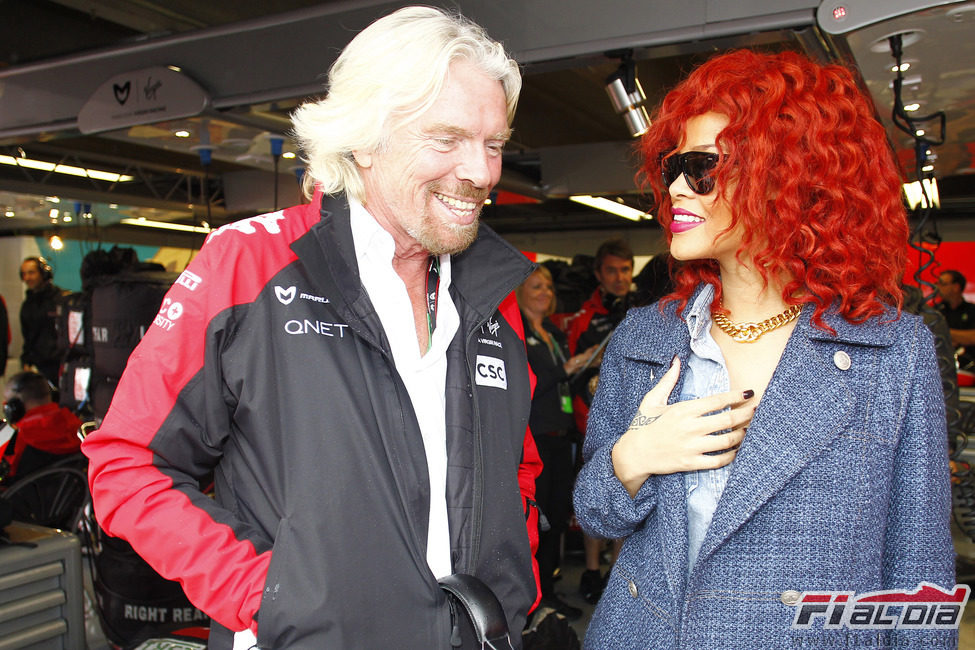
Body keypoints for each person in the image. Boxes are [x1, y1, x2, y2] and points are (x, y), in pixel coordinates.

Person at [82, 7, 543, 649]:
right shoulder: (247, 266)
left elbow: (515, 470)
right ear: (363, 138)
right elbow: (128, 464)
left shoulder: (492, 290)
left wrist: (514, 591)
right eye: (448, 139)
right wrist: (266, 596)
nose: (482, 171)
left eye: (493, 144)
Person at [573, 50, 955, 649]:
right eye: (673, 166)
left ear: (784, 176)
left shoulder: (892, 354)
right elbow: (595, 513)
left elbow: (918, 573)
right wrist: (634, 457)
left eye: (701, 168)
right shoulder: (647, 338)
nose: (675, 187)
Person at [516, 266, 592, 621]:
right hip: (534, 442)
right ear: (518, 291)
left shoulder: (553, 334)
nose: (545, 291)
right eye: (536, 286)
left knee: (558, 521)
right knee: (536, 521)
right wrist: (566, 370)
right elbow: (530, 385)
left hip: (563, 441)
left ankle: (549, 592)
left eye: (548, 285)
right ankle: (531, 599)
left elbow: (564, 385)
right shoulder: (514, 334)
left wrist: (587, 376)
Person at [1, 371, 81, 484]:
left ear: (14, 406)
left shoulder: (20, 436)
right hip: (72, 497)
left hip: (24, 498)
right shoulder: (76, 424)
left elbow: (7, 474)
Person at [19, 256, 64, 386]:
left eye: (31, 272)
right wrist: (26, 361)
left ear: (44, 274)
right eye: (24, 274)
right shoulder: (27, 304)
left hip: (57, 366)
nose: (27, 278)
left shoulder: (59, 299)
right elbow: (28, 338)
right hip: (37, 368)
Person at [935, 269, 975, 368]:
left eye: (942, 284)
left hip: (969, 366)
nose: (937, 287)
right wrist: (960, 337)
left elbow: (972, 337)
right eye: (937, 283)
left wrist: (944, 332)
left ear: (956, 287)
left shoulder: (972, 310)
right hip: (941, 366)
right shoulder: (935, 312)